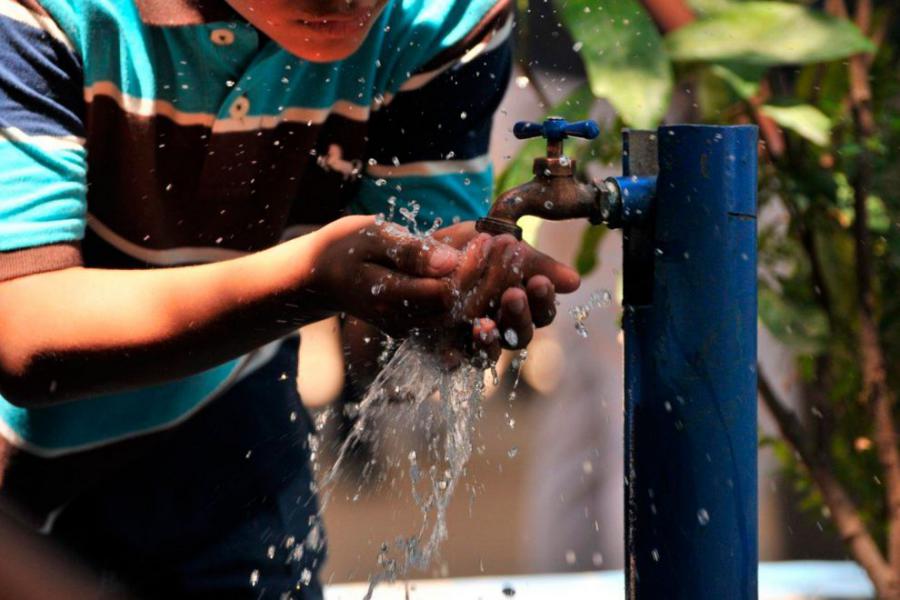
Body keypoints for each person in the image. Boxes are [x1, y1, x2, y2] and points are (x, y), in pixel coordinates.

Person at [0, 0, 580, 597]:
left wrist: (450, 295)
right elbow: (22, 328)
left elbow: (407, 277)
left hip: (228, 410)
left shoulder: (439, 15)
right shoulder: (51, 13)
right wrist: (306, 281)